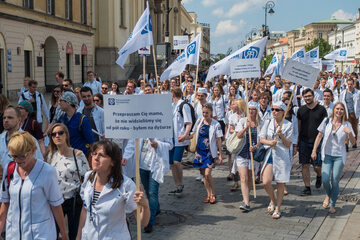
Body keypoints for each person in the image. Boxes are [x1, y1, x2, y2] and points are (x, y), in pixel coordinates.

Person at [0, 131, 68, 240]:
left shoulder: (47, 171)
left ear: (32, 151)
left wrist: (64, 234)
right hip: (14, 235)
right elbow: (5, 202)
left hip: (40, 235)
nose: (17, 160)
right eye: (14, 156)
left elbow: (56, 206)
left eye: (22, 156)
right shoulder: (10, 169)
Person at [76, 141, 150, 240]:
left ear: (113, 162)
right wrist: (79, 235)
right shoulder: (88, 177)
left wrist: (145, 206)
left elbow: (143, 223)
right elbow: (85, 210)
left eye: (101, 155)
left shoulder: (126, 185)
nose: (96, 158)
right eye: (94, 154)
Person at [311, 102, 356, 214]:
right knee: (325, 179)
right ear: (334, 110)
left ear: (343, 112)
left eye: (341, 109)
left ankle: (332, 204)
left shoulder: (347, 124)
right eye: (337, 109)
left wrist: (349, 133)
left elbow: (353, 142)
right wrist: (314, 150)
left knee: (335, 180)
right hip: (326, 155)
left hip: (339, 156)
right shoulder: (326, 121)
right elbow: (319, 136)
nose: (339, 111)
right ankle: (328, 194)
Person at [48, 123, 90, 240]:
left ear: (66, 135)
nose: (57, 136)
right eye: (54, 134)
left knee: (74, 234)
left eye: (61, 132)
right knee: (54, 233)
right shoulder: (51, 155)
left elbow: (88, 178)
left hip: (73, 200)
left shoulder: (78, 154)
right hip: (56, 201)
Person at [123, 137, 172, 233]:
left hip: (156, 166)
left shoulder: (162, 127)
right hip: (142, 166)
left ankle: (149, 221)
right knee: (148, 191)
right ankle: (156, 208)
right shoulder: (141, 127)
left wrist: (158, 144)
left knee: (152, 192)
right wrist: (126, 156)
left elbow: (170, 145)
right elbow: (132, 143)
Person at [260, 102, 296, 219]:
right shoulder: (268, 122)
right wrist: (270, 142)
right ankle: (273, 199)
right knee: (266, 181)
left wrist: (281, 136)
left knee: (280, 183)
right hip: (270, 154)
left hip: (282, 156)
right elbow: (262, 139)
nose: (274, 112)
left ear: (283, 112)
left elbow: (289, 143)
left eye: (277, 110)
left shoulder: (288, 125)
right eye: (273, 109)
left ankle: (278, 208)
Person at [297, 88, 328, 196]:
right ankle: (307, 188)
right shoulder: (301, 110)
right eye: (305, 97)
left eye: (309, 96)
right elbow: (299, 126)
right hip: (304, 141)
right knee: (304, 165)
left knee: (316, 166)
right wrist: (297, 141)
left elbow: (325, 126)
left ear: (313, 96)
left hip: (318, 141)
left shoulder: (321, 109)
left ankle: (319, 176)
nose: (307, 98)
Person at [191, 104, 223, 204]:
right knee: (204, 176)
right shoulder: (200, 121)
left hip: (209, 152)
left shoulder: (216, 124)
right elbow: (194, 133)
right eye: (203, 112)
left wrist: (220, 154)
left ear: (211, 112)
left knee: (208, 174)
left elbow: (219, 140)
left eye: (207, 113)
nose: (205, 114)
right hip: (200, 152)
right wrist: (185, 137)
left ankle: (213, 193)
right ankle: (208, 194)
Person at [0, 107, 44, 177]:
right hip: (3, 182)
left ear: (19, 120)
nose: (6, 120)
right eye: (4, 118)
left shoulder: (29, 139)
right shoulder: (0, 138)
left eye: (10, 118)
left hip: (23, 180)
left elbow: (39, 164)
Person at [235, 102, 261, 212]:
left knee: (250, 178)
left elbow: (262, 138)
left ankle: (247, 195)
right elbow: (238, 135)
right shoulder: (242, 121)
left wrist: (255, 146)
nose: (251, 111)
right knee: (244, 178)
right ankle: (246, 203)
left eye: (253, 109)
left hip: (254, 154)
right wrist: (246, 127)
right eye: (249, 109)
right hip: (242, 153)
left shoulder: (261, 123)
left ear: (257, 111)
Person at [168, 87, 192, 197]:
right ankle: (177, 185)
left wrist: (185, 135)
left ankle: (181, 183)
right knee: (172, 163)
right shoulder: (171, 106)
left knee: (177, 162)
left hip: (179, 138)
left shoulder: (184, 105)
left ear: (173, 94)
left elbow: (189, 122)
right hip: (170, 138)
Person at [58, 91, 95, 157]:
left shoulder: (82, 120)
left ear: (68, 103)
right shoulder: (62, 119)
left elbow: (91, 142)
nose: (59, 103)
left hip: (80, 158)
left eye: (61, 100)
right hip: (66, 157)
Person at [339, 78, 359, 149]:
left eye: (351, 84)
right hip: (346, 113)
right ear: (346, 84)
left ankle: (354, 142)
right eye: (348, 84)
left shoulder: (358, 92)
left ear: (353, 84)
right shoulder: (343, 93)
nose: (350, 86)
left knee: (354, 128)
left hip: (354, 113)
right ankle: (346, 143)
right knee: (346, 128)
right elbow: (340, 102)